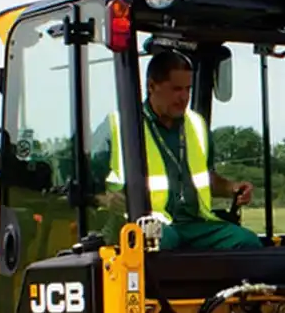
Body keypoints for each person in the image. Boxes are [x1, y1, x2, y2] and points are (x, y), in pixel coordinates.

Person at [104, 50, 261, 250]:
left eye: (188, 89)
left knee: (246, 241)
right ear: (152, 86)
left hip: (195, 224)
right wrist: (109, 198)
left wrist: (232, 188)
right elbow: (91, 184)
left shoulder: (196, 125)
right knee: (162, 242)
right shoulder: (120, 126)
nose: (184, 97)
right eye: (176, 89)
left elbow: (205, 177)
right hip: (150, 223)